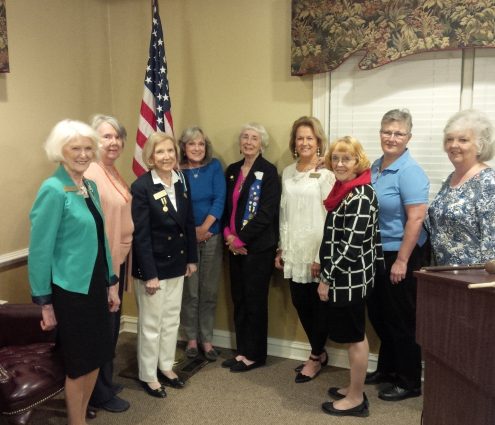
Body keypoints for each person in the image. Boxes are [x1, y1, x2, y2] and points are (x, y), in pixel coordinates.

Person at [28, 119, 120, 425]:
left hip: (94, 286)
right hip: (69, 291)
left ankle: (79, 417)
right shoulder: (53, 189)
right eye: (75, 148)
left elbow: (101, 237)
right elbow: (41, 251)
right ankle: (75, 421)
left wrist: (110, 284)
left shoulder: (88, 185)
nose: (82, 154)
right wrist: (45, 303)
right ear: (60, 151)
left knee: (96, 356)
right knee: (79, 363)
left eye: (87, 148)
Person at [366, 109, 429, 401]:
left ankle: (409, 381)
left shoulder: (410, 171)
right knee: (381, 315)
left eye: (398, 133)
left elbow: (415, 219)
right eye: (387, 132)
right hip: (377, 252)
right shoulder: (376, 166)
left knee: (402, 320)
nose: (392, 138)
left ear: (408, 137)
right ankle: (388, 369)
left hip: (400, 254)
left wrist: (402, 260)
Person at [317, 136, 383, 418]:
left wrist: (326, 278)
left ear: (359, 162)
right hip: (348, 277)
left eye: (347, 159)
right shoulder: (345, 189)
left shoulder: (360, 195)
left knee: (355, 337)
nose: (340, 164)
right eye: (336, 158)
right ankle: (353, 386)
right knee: (352, 334)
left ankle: (356, 398)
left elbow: (350, 247)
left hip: (349, 278)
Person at [131, 132, 198, 398]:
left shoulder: (180, 181)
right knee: (151, 324)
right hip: (154, 268)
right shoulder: (142, 186)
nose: (167, 156)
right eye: (160, 152)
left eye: (170, 151)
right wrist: (149, 274)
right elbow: (141, 235)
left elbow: (189, 222)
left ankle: (166, 366)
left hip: (177, 263)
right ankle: (148, 375)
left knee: (171, 319)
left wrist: (191, 257)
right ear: (150, 157)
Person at [275, 116, 335, 382]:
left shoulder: (328, 173)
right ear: (294, 143)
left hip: (316, 249)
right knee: (300, 302)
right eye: (300, 138)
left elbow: (331, 217)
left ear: (318, 141)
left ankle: (314, 356)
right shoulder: (288, 172)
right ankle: (319, 352)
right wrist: (281, 248)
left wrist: (320, 256)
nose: (305, 142)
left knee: (319, 306)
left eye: (310, 137)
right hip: (293, 248)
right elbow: (283, 213)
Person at [222, 123, 281, 372]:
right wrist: (228, 236)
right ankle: (242, 350)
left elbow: (267, 214)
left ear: (261, 144)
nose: (248, 141)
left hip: (258, 248)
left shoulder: (268, 172)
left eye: (253, 138)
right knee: (239, 299)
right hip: (233, 246)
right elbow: (226, 208)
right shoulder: (233, 170)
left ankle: (255, 354)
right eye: (244, 137)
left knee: (255, 301)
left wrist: (240, 239)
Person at [84, 115, 133, 413]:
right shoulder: (89, 173)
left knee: (112, 328)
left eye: (117, 137)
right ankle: (98, 393)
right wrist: (106, 274)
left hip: (119, 261)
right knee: (102, 330)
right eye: (106, 136)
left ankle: (106, 381)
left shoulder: (111, 170)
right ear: (92, 140)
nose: (113, 142)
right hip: (103, 266)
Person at [178, 126, 226, 362]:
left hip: (212, 236)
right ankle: (191, 339)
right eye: (191, 144)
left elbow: (219, 199)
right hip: (185, 239)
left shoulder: (214, 166)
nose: (197, 148)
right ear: (183, 148)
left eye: (200, 144)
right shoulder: (176, 171)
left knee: (208, 291)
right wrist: (192, 233)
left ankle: (207, 339)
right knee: (190, 292)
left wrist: (204, 229)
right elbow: (178, 205)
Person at [427, 109, 495, 265]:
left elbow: (492, 241)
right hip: (444, 274)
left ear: (480, 145)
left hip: (473, 279)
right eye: (449, 139)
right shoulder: (452, 178)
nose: (454, 145)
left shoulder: (489, 183)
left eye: (463, 140)